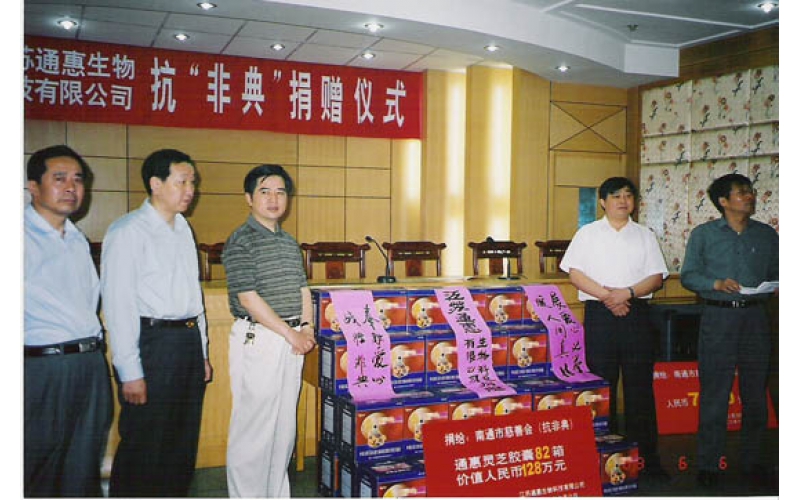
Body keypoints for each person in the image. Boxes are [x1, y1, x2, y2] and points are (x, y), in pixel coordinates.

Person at [101, 149, 212, 497]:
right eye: (182, 182)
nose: (190, 190)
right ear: (155, 183)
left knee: (181, 441)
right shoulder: (128, 231)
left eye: (192, 182)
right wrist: (129, 371)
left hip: (186, 344)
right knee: (145, 442)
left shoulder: (183, 228)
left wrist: (202, 353)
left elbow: (193, 297)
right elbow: (118, 306)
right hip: (153, 345)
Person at [559, 176, 669, 483]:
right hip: (600, 314)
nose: (623, 201)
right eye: (616, 196)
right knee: (601, 387)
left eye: (628, 196)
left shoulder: (645, 235)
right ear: (603, 202)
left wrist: (627, 294)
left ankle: (646, 459)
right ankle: (598, 459)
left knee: (639, 387)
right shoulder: (587, 233)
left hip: (637, 314)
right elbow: (575, 274)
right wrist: (610, 297)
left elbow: (656, 277)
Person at [222, 164, 316, 498]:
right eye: (265, 192)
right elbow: (248, 299)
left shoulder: (288, 242)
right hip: (260, 339)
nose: (274, 199)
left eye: (280, 192)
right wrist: (292, 334)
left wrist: (306, 327)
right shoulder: (241, 240)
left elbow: (303, 289)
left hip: (291, 340)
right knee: (253, 431)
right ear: (249, 198)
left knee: (283, 429)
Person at [24, 145, 113, 497]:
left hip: (89, 363)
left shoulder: (75, 238)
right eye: (59, 178)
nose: (71, 187)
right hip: (43, 367)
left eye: (77, 179)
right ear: (33, 186)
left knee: (82, 464)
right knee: (37, 467)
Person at [681, 173, 778, 490]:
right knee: (715, 393)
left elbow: (778, 271)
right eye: (741, 192)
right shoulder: (704, 235)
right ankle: (709, 464)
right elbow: (688, 275)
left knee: (755, 394)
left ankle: (753, 462)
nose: (749, 196)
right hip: (718, 318)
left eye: (750, 191)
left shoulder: (766, 235)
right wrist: (716, 283)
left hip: (756, 319)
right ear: (723, 201)